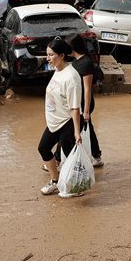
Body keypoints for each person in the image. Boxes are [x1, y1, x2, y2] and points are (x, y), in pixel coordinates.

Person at [37, 37, 82, 196]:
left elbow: (75, 107)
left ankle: (76, 187)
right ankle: (55, 181)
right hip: (54, 121)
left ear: (62, 55)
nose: (47, 58)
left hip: (67, 122)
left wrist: (77, 132)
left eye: (51, 55)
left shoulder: (71, 77)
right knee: (43, 148)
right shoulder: (58, 69)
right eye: (47, 54)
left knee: (69, 157)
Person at [68, 34, 103, 167]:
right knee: (87, 129)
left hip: (84, 103)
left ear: (73, 48)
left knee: (70, 128)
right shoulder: (76, 62)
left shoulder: (86, 63)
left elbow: (88, 89)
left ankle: (58, 159)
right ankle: (97, 156)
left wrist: (86, 111)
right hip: (77, 102)